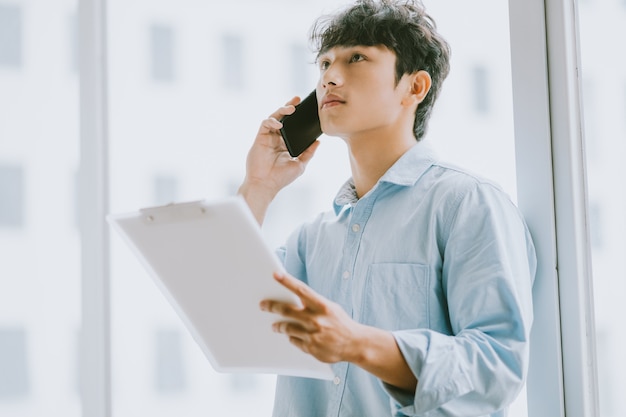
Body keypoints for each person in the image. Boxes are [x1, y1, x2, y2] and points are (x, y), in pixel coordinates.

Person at [237, 0, 536, 416]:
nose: (329, 78)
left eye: (356, 58)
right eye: (324, 64)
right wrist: (258, 187)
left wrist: (357, 343)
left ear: (414, 87)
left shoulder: (467, 203)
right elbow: (234, 316)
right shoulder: (311, 239)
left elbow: (496, 366)